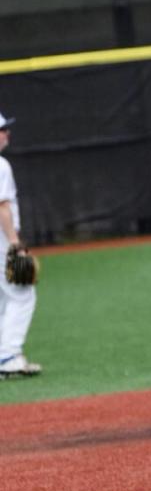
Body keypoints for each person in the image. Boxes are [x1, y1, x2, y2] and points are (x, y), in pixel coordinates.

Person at [0, 110, 42, 378]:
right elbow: (2, 207)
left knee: (4, 299)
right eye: (3, 130)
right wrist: (15, 244)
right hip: (1, 241)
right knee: (23, 295)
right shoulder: (1, 165)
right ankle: (8, 354)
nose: (7, 134)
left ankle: (5, 354)